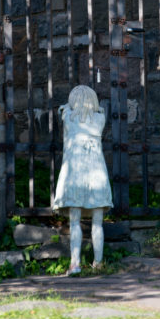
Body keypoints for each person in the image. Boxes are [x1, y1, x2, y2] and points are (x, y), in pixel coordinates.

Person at [53, 85, 113, 275]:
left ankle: (75, 263)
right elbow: (99, 110)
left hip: (75, 175)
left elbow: (65, 108)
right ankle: (98, 262)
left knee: (74, 221)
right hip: (97, 174)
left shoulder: (68, 117)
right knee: (97, 223)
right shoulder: (100, 118)